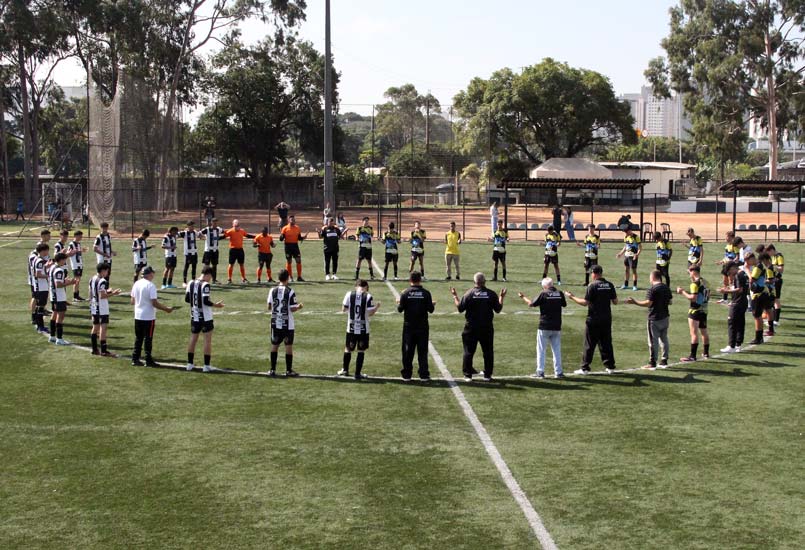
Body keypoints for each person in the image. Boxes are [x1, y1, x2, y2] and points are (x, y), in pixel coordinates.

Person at [450, 272, 506, 382]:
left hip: (471, 327)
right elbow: (498, 309)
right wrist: (501, 297)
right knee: (488, 351)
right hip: (486, 328)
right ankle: (487, 375)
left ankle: (467, 375)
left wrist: (455, 296)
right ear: (484, 282)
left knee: (468, 351)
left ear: (474, 282)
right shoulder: (491, 294)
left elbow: (460, 308)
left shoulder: (469, 293)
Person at [565, 265, 618, 375]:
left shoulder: (592, 286)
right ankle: (610, 366)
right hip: (606, 318)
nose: (590, 275)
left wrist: (571, 297)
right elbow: (615, 301)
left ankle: (585, 367)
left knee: (589, 344)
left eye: (591, 273)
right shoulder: (609, 285)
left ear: (594, 273)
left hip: (593, 319)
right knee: (606, 343)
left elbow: (585, 303)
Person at [518, 277, 566, 379]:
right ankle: (559, 372)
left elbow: (531, 303)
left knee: (541, 350)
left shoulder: (543, 294)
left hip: (544, 325)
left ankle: (540, 372)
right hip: (557, 326)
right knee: (557, 350)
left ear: (544, 286)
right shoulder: (559, 293)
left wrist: (523, 297)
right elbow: (564, 304)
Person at [626, 269, 672, 369]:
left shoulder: (653, 289)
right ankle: (664, 360)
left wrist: (635, 302)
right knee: (664, 339)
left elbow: (648, 303)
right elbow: (670, 302)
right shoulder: (666, 287)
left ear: (652, 277)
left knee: (652, 341)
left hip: (654, 318)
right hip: (665, 317)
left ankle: (652, 363)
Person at [185, 266, 225, 372]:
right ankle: (206, 366)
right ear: (208, 274)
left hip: (194, 316)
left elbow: (187, 299)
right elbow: (205, 301)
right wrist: (216, 305)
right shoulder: (205, 285)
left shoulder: (190, 283)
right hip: (205, 317)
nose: (210, 278)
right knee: (207, 340)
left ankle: (189, 364)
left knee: (193, 339)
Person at [397, 271, 435, 381]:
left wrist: (399, 302)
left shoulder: (405, 293)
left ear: (410, 280)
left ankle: (407, 374)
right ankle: (423, 374)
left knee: (408, 351)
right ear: (420, 280)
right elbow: (431, 310)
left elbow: (400, 309)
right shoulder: (426, 293)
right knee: (422, 351)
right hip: (422, 326)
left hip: (409, 326)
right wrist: (432, 304)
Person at [338, 279, 380, 380]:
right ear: (366, 287)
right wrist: (377, 307)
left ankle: (345, 370)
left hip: (351, 327)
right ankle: (357, 373)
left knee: (348, 348)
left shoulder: (349, 294)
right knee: (361, 350)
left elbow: (343, 309)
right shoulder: (368, 296)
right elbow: (370, 313)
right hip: (363, 328)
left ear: (356, 286)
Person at [267, 269, 303, 377]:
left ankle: (272, 369)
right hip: (287, 324)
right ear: (287, 278)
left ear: (278, 278)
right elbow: (292, 309)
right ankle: (288, 370)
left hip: (275, 322)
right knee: (288, 346)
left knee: (274, 345)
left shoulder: (272, 290)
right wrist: (299, 307)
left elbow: (269, 307)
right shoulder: (290, 291)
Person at [677, 265, 710, 362]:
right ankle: (706, 353)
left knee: (694, 333)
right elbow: (708, 295)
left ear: (693, 271)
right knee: (704, 332)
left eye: (690, 272)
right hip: (704, 310)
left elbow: (693, 297)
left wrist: (682, 292)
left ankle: (692, 356)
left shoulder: (694, 284)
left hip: (695, 310)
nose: (689, 274)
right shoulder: (705, 282)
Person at [89, 262, 121, 357]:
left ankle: (94, 349)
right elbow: (102, 296)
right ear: (103, 271)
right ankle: (104, 350)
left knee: (95, 327)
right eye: (107, 271)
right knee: (103, 328)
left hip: (94, 307)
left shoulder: (92, 279)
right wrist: (113, 293)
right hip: (102, 308)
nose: (108, 272)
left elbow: (91, 293)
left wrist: (107, 291)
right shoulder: (102, 281)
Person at [718, 261, 748, 353]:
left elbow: (739, 290)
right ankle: (738, 344)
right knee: (740, 323)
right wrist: (730, 289)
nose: (729, 275)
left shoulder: (738, 275)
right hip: (743, 302)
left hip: (737, 303)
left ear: (732, 268)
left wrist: (726, 292)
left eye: (729, 272)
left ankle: (731, 345)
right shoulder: (743, 274)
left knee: (732, 323)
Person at [48, 252, 74, 345]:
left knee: (54, 315)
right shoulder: (59, 270)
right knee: (60, 316)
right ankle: (59, 338)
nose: (65, 262)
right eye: (64, 260)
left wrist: (64, 281)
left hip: (53, 295)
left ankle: (52, 336)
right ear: (61, 260)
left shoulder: (52, 268)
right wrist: (70, 283)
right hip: (59, 297)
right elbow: (58, 284)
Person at [747, 253, 773, 345]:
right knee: (759, 315)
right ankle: (760, 336)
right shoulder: (758, 266)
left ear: (753, 258)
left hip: (758, 295)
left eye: (748, 261)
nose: (747, 263)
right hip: (762, 293)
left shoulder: (758, 266)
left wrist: (746, 270)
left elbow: (752, 279)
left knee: (757, 317)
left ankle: (758, 338)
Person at [223, 219, 255, 284]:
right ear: (233, 225)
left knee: (241, 264)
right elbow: (223, 236)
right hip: (233, 250)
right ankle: (229, 279)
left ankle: (243, 278)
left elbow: (247, 235)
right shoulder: (230, 231)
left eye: (238, 225)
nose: (237, 227)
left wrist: (255, 236)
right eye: (235, 225)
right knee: (231, 264)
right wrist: (215, 238)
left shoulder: (242, 231)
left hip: (240, 250)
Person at [280, 214, 307, 282]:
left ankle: (299, 277)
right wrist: (281, 236)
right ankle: (290, 277)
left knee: (298, 260)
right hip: (288, 246)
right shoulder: (285, 228)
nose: (293, 221)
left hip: (295, 246)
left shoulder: (297, 228)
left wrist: (303, 238)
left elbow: (299, 238)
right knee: (289, 261)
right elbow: (281, 239)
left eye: (294, 219)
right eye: (292, 219)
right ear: (289, 220)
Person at [32, 243, 51, 334]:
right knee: (41, 307)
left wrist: (47, 267)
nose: (48, 252)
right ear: (42, 251)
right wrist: (48, 275)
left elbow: (39, 271)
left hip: (39, 286)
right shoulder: (39, 261)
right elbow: (37, 274)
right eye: (47, 250)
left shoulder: (38, 259)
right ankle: (40, 326)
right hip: (41, 287)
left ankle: (37, 323)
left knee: (39, 306)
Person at [616, 226, 642, 290]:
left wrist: (637, 255)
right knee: (626, 270)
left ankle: (634, 286)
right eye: (625, 232)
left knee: (634, 271)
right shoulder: (626, 237)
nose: (625, 233)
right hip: (626, 256)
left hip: (633, 256)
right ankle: (625, 284)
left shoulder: (636, 237)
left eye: (626, 232)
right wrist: (620, 253)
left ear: (630, 230)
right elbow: (625, 246)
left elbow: (640, 247)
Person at [716, 230, 737, 303]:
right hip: (726, 265)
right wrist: (721, 261)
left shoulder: (735, 246)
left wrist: (732, 263)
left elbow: (737, 256)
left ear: (732, 237)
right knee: (725, 282)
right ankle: (725, 299)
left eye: (727, 236)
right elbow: (726, 256)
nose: (726, 238)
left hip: (731, 267)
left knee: (732, 282)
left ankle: (733, 300)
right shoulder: (727, 246)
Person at [200, 217, 223, 283]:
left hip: (215, 250)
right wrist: (202, 237)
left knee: (214, 265)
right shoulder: (207, 229)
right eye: (214, 222)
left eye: (216, 222)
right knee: (206, 265)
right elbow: (199, 233)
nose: (215, 224)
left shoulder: (218, 229)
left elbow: (225, 233)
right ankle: (203, 278)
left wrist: (220, 238)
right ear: (211, 223)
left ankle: (214, 279)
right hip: (208, 250)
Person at [766, 244, 783, 325]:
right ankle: (772, 319)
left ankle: (776, 321)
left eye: (768, 252)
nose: (769, 254)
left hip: (777, 280)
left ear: (772, 250)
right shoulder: (773, 257)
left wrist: (772, 266)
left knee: (776, 300)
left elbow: (781, 269)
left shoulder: (779, 256)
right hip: (773, 280)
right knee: (772, 299)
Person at [178, 220, 199, 287]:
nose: (192, 227)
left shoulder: (195, 232)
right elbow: (177, 234)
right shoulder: (185, 233)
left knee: (194, 267)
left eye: (193, 226)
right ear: (188, 226)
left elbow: (199, 235)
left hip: (194, 252)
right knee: (186, 267)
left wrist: (203, 236)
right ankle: (184, 282)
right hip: (188, 253)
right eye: (191, 226)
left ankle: (193, 280)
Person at [67, 230, 86, 302]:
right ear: (75, 236)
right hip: (75, 264)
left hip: (79, 264)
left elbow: (78, 251)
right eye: (80, 236)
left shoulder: (78, 243)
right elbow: (69, 254)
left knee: (78, 280)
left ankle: (77, 295)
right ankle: (75, 296)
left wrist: (81, 250)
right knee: (76, 280)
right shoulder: (71, 244)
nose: (81, 237)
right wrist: (77, 250)